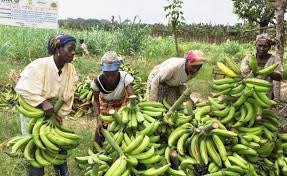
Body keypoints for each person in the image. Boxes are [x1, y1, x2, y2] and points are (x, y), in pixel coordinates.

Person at [15, 34, 78, 176]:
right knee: (36, 143)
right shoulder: (39, 65)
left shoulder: (70, 69)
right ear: (58, 50)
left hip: (54, 111)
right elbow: (22, 88)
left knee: (58, 142)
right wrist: (43, 102)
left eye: (74, 49)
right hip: (33, 109)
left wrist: (59, 113)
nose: (73, 52)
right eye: (70, 49)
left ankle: (62, 172)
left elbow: (68, 94)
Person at [91, 51, 135, 141]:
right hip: (105, 105)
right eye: (107, 74)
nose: (110, 77)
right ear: (103, 71)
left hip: (122, 105)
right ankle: (96, 149)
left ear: (118, 69)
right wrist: (98, 119)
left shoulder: (125, 77)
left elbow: (132, 96)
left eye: (113, 74)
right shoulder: (97, 82)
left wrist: (131, 111)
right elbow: (95, 101)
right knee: (100, 132)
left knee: (123, 129)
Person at [240, 33, 283, 99]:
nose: (262, 48)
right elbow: (243, 71)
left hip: (265, 93)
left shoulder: (275, 59)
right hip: (248, 91)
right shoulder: (249, 57)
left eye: (265, 46)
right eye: (259, 45)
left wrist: (267, 71)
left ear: (269, 47)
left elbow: (279, 77)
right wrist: (251, 68)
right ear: (255, 45)